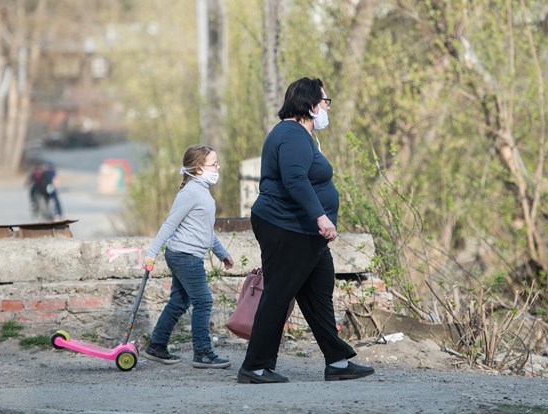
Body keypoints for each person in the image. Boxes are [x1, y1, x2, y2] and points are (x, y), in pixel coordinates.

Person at [237, 77, 375, 384]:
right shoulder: (292, 135)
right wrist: (321, 218)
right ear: (310, 105)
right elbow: (295, 180)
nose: (327, 108)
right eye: (325, 102)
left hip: (302, 231)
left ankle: (337, 363)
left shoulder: (299, 135)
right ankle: (255, 367)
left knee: (318, 292)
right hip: (288, 226)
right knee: (278, 294)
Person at [142, 144, 235, 369]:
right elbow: (169, 224)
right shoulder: (190, 193)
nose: (218, 167)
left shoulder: (202, 192)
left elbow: (206, 231)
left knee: (179, 302)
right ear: (199, 169)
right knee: (203, 302)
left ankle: (157, 346)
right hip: (184, 255)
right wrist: (152, 253)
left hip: (187, 255)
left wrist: (222, 254)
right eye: (214, 164)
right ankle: (202, 353)